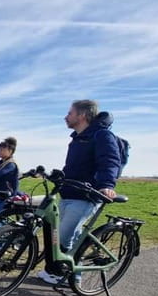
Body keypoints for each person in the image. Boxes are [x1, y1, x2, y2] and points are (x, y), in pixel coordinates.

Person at [37, 100, 121, 284]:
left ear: (82, 115)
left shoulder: (102, 135)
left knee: (62, 237)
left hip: (86, 196)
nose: (66, 117)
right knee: (69, 237)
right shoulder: (77, 138)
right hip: (68, 194)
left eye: (70, 113)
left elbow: (110, 161)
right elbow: (75, 167)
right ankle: (69, 275)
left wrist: (107, 184)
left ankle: (66, 275)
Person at [0, 136, 20, 215]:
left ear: (10, 151)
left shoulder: (11, 164)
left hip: (6, 194)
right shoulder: (0, 163)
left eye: (2, 149)